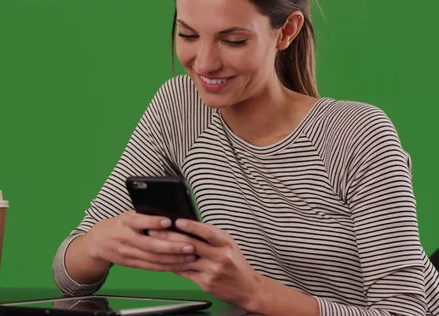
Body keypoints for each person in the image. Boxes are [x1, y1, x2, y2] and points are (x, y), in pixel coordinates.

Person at [52, 0, 439, 315]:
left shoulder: (357, 133)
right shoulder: (180, 108)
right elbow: (68, 276)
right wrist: (98, 244)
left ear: (286, 31)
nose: (204, 63)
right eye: (187, 34)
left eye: (233, 40)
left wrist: (254, 292)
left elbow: (405, 312)